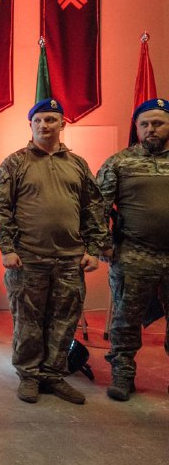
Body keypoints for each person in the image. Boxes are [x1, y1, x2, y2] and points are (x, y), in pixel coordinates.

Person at [0, 98, 108, 406]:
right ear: (30, 125)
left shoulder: (77, 165)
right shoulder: (14, 164)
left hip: (69, 260)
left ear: (62, 124)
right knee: (28, 321)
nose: (44, 125)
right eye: (38, 120)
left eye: (51, 119)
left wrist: (94, 249)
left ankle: (53, 375)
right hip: (28, 259)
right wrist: (7, 248)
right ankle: (29, 376)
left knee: (64, 321)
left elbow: (93, 208)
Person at [97, 98, 169, 401]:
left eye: (158, 123)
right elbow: (96, 207)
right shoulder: (119, 163)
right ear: (137, 128)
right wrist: (104, 246)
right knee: (125, 321)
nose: (151, 129)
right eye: (144, 124)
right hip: (133, 256)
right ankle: (123, 375)